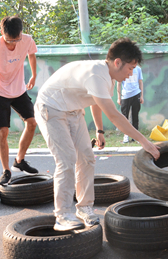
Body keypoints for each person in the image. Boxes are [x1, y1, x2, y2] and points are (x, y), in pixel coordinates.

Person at [34, 38, 160, 231]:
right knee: (66, 160)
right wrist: (145, 142)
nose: (131, 74)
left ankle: (84, 208)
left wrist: (99, 131)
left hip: (74, 110)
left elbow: (95, 102)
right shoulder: (96, 74)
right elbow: (115, 116)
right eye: (130, 68)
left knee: (86, 158)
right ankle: (62, 216)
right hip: (51, 108)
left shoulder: (108, 76)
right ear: (117, 62)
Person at [0, 15, 39, 185]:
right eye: (9, 40)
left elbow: (32, 54)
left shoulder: (27, 40)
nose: (13, 44)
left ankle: (19, 160)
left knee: (32, 123)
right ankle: (6, 171)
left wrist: (33, 74)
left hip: (19, 89)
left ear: (21, 33)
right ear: (1, 32)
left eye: (16, 40)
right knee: (3, 132)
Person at [117, 64, 143, 144]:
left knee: (135, 116)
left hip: (136, 94)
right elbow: (118, 83)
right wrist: (119, 97)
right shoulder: (122, 68)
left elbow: (140, 82)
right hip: (126, 95)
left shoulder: (138, 69)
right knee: (125, 117)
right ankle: (126, 135)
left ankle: (136, 137)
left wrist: (141, 95)